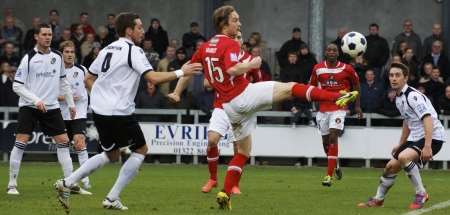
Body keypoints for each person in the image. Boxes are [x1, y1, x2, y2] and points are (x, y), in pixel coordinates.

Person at [183, 5, 358, 210]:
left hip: (229, 107)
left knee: (243, 151)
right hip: (242, 96)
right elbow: (233, 68)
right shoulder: (229, 43)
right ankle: (337, 95)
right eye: (235, 20)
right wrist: (252, 64)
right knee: (291, 88)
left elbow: (188, 70)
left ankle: (226, 192)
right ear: (224, 23)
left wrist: (177, 91)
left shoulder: (205, 47)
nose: (239, 23)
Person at [54, 12, 202, 211]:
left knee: (111, 154)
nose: (143, 31)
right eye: (140, 27)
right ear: (129, 30)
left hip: (100, 110)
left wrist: (101, 95)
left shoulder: (107, 49)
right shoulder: (134, 51)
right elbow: (153, 79)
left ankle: (67, 182)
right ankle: (112, 197)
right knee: (141, 150)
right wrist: (181, 72)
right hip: (119, 112)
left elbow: (88, 77)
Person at [358, 63, 446, 210]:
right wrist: (401, 144)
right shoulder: (398, 98)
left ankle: (421, 193)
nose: (393, 78)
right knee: (390, 167)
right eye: (391, 75)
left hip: (433, 137)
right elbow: (407, 121)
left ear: (405, 78)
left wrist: (428, 145)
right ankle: (378, 199)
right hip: (416, 138)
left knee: (404, 157)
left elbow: (428, 119)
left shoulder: (412, 96)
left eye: (397, 75)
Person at [7, 24, 77, 195]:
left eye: (50, 34)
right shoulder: (28, 58)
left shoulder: (57, 56)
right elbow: (17, 86)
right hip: (30, 106)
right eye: (44, 34)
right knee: (21, 141)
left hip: (51, 106)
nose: (48, 37)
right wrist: (36, 100)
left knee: (63, 141)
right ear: (36, 37)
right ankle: (12, 184)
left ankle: (70, 183)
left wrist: (71, 104)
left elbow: (63, 82)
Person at [309, 43, 362, 186]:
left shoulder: (347, 69)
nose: (331, 52)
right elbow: (312, 87)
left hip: (339, 108)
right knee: (326, 144)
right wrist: (314, 103)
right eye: (329, 50)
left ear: (338, 53)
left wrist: (357, 106)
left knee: (333, 137)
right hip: (323, 110)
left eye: (334, 50)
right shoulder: (318, 68)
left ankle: (328, 176)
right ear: (325, 53)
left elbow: (356, 86)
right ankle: (336, 165)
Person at [58, 41, 92, 194]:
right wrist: (66, 98)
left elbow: (91, 86)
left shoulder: (82, 70)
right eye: (67, 52)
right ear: (61, 54)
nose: (70, 54)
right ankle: (69, 179)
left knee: (79, 143)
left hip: (79, 112)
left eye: (72, 52)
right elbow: (51, 94)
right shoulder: (55, 72)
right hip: (60, 113)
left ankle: (85, 178)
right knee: (63, 144)